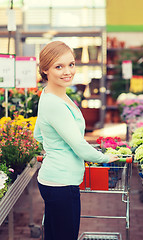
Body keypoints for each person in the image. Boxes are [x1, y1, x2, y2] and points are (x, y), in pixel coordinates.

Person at [34, 41, 119, 240]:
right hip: (62, 184)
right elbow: (79, 146)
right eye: (59, 66)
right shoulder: (55, 102)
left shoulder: (51, 95)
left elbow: (38, 134)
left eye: (71, 64)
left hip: (53, 180)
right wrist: (104, 157)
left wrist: (55, 147)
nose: (68, 71)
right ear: (45, 70)